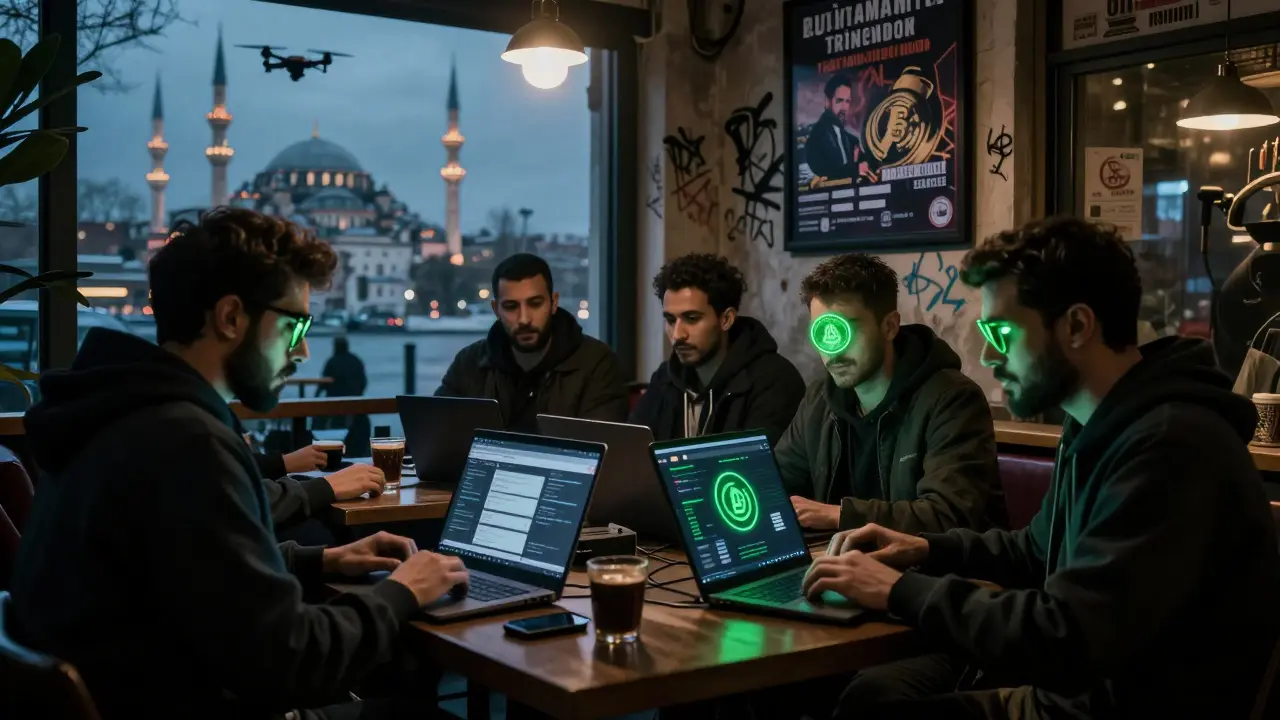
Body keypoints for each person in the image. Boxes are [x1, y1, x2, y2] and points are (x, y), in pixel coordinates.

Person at [804, 217, 1280, 719]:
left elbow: (1066, 634)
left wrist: (899, 590)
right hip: (1077, 687)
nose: (988, 354)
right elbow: (1035, 549)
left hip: (1112, 705)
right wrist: (924, 546)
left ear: (1076, 325)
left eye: (1002, 331)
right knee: (872, 697)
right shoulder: (1100, 420)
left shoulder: (1169, 446)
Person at [10, 208, 469, 720]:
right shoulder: (185, 441)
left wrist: (320, 560)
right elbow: (289, 662)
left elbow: (183, 576)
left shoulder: (110, 415)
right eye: (294, 327)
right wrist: (404, 591)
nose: (303, 352)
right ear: (231, 318)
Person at [775, 253, 1002, 534]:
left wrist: (843, 514)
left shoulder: (953, 399)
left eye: (846, 330)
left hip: (937, 573)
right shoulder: (819, 400)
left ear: (890, 326)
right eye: (823, 333)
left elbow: (946, 515)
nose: (834, 350)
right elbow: (776, 486)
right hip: (843, 565)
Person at [436, 253, 628, 432]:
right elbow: (433, 432)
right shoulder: (470, 363)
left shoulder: (597, 364)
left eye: (535, 304)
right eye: (511, 307)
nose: (524, 319)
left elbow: (603, 454)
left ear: (553, 303)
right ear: (496, 310)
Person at [629, 253, 805, 445]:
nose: (677, 334)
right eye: (670, 320)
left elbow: (758, 470)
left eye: (692, 318)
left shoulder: (775, 382)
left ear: (726, 319)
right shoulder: (665, 379)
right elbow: (632, 454)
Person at [805, 74, 868, 183]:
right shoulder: (817, 137)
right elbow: (826, 173)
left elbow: (865, 163)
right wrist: (856, 169)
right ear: (827, 102)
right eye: (839, 101)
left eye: (847, 101)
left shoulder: (851, 140)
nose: (844, 107)